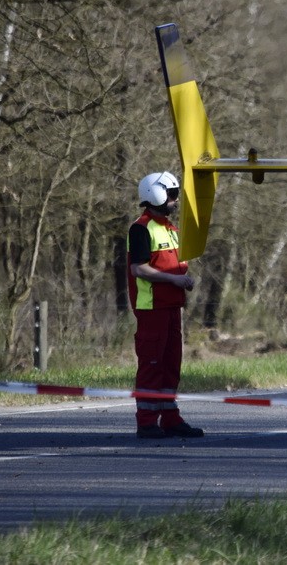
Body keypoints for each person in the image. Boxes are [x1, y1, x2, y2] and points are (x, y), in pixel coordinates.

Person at [127, 171, 204, 439]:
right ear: (156, 195)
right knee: (152, 364)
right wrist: (174, 279)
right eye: (172, 195)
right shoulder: (141, 228)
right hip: (152, 309)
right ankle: (146, 422)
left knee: (171, 364)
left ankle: (170, 418)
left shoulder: (170, 229)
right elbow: (139, 269)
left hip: (171, 307)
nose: (175, 201)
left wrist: (181, 281)